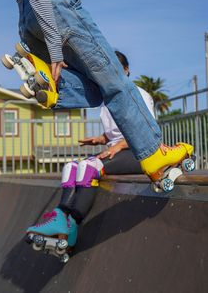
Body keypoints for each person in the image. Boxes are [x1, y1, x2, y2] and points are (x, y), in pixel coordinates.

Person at [0, 0, 193, 189]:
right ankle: (154, 152)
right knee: (116, 80)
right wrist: (55, 46)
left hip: (27, 17)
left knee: (100, 89)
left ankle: (57, 86)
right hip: (54, 6)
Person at [24, 51, 182, 249]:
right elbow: (115, 133)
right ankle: (61, 218)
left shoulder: (139, 94)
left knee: (89, 167)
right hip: (118, 152)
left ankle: (71, 224)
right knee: (72, 167)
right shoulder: (107, 100)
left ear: (126, 70)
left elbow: (147, 132)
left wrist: (118, 145)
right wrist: (100, 139)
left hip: (140, 152)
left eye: (116, 68)